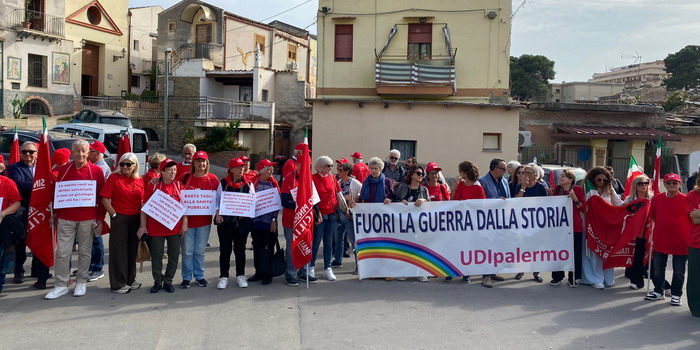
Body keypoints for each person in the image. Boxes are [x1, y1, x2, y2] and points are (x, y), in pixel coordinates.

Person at [45, 139, 106, 300]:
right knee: (62, 252)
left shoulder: (96, 171)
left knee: (85, 252)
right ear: (72, 152)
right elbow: (57, 194)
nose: (80, 154)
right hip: (66, 219)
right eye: (77, 150)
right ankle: (61, 284)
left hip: (87, 218)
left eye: (83, 151)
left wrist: (100, 219)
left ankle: (81, 282)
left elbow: (102, 198)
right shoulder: (63, 170)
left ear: (88, 153)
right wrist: (56, 213)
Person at [139, 158, 187, 294]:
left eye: (175, 170)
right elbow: (144, 207)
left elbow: (185, 208)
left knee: (174, 256)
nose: (173, 172)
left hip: (174, 229)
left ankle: (168, 281)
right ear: (162, 171)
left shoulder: (179, 186)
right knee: (157, 256)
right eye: (170, 170)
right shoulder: (153, 186)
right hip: (155, 229)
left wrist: (184, 224)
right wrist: (143, 226)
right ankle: (157, 281)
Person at [101, 153, 144, 294]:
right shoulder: (114, 178)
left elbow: (143, 199)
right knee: (118, 251)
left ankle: (130, 279)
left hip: (135, 218)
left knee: (132, 250)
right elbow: (105, 199)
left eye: (128, 164)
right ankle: (118, 283)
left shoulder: (139, 180)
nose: (124, 167)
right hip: (120, 218)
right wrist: (114, 214)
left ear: (134, 166)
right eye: (122, 164)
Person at [645, 173, 690, 306]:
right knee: (658, 268)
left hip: (681, 240)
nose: (671, 185)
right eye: (669, 183)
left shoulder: (686, 199)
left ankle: (676, 294)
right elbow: (653, 216)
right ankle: (659, 291)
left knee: (679, 270)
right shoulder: (657, 199)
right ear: (664, 184)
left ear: (679, 184)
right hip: (661, 239)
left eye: (674, 183)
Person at [6, 141, 47, 287]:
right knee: (21, 242)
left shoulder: (43, 167)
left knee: (39, 240)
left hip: (40, 210)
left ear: (37, 153)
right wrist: (42, 183)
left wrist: (41, 182)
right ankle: (19, 270)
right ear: (20, 153)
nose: (27, 154)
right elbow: (19, 184)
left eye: (31, 152)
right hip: (22, 210)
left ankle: (37, 269)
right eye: (24, 152)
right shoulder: (13, 168)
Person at [178, 151, 219, 289]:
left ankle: (199, 276)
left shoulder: (213, 179)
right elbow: (171, 187)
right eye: (198, 161)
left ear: (207, 163)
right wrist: (155, 179)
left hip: (204, 223)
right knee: (187, 252)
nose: (201, 164)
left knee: (199, 251)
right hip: (187, 222)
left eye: (204, 161)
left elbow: (219, 200)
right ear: (193, 163)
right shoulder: (185, 178)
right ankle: (186, 277)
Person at [214, 157, 253, 289]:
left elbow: (252, 202)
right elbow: (217, 200)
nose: (241, 169)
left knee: (240, 250)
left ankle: (240, 275)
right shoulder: (223, 183)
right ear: (231, 169)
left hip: (241, 224)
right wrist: (218, 214)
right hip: (225, 223)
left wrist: (246, 212)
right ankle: (223, 276)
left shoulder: (248, 184)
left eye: (242, 167)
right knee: (225, 250)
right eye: (238, 167)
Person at [581, 166, 622, 290]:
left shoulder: (609, 189)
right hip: (590, 226)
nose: (602, 183)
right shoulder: (585, 190)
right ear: (593, 179)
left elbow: (619, 204)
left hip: (606, 227)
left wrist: (635, 203)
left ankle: (607, 278)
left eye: (605, 180)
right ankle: (594, 278)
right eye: (599, 180)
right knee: (592, 253)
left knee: (606, 253)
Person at [394, 166, 431, 282]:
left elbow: (430, 203)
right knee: (405, 247)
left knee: (419, 248)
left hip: (419, 224)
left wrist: (423, 200)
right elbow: (394, 200)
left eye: (422, 174)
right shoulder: (403, 187)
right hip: (404, 223)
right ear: (411, 174)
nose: (421, 176)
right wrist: (401, 202)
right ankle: (404, 271)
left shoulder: (424, 190)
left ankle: (419, 272)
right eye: (418, 173)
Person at [550, 169, 586, 287]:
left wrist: (575, 198)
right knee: (559, 252)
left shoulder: (578, 190)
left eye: (563, 176)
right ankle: (557, 276)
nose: (560, 178)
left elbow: (584, 209)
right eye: (560, 176)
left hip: (575, 227)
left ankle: (573, 277)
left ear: (570, 179)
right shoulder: (557, 189)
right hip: (560, 227)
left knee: (575, 253)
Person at [280, 168, 316, 286]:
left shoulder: (309, 179)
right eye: (304, 164)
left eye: (309, 164)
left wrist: (317, 211)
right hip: (291, 220)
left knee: (306, 245)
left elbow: (313, 199)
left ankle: (304, 271)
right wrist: (299, 204)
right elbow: (284, 201)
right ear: (298, 164)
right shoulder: (289, 179)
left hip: (305, 220)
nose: (307, 167)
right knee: (292, 247)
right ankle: (290, 273)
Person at [513, 163, 548, 283]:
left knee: (536, 248)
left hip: (536, 222)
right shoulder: (519, 186)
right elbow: (516, 201)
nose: (525, 175)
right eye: (524, 173)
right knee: (522, 247)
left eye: (528, 173)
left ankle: (536, 272)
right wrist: (523, 187)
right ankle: (521, 270)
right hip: (523, 222)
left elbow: (545, 204)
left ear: (535, 175)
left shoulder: (540, 187)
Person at [248, 159, 280, 285]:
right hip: (256, 221)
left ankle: (268, 273)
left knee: (268, 247)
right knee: (257, 246)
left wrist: (273, 220)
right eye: (269, 168)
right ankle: (259, 272)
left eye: (272, 169)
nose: (272, 171)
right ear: (262, 171)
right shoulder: (252, 183)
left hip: (269, 222)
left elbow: (276, 204)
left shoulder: (274, 184)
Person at [311, 156, 341, 281]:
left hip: (331, 213)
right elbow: (310, 196)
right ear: (320, 166)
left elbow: (338, 193)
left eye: (331, 166)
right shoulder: (312, 178)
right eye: (327, 166)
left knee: (328, 242)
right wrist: (316, 211)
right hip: (319, 213)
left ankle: (327, 268)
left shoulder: (333, 178)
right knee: (316, 241)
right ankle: (310, 266)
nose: (330, 168)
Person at [622, 174, 653, 290]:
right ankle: (637, 281)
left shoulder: (652, 199)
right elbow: (623, 213)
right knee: (636, 257)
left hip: (648, 231)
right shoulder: (629, 200)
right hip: (634, 233)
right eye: (640, 184)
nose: (643, 186)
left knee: (651, 259)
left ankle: (662, 285)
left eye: (646, 183)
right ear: (635, 185)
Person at [87, 141, 111, 282]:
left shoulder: (101, 169)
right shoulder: (94, 166)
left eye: (91, 151)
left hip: (97, 207)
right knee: (88, 239)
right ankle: (90, 265)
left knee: (96, 238)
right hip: (90, 207)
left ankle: (98, 268)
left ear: (99, 153)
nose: (88, 153)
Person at [335, 162, 362, 270]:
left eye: (340, 170)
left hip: (350, 216)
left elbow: (362, 196)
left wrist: (353, 199)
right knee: (338, 238)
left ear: (347, 172)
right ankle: (338, 260)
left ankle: (359, 266)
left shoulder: (355, 183)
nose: (338, 172)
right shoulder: (339, 182)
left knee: (353, 240)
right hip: (339, 214)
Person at [0, 175, 22, 294]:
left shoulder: (7, 183)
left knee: (2, 258)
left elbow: (16, 203)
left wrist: (2, 213)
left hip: (2, 227)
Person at [686, 176, 700, 316]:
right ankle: (696, 308)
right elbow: (694, 219)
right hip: (696, 243)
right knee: (695, 277)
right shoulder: (692, 195)